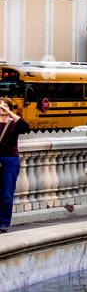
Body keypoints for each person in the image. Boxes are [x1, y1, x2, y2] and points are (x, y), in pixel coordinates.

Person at [0, 98, 30, 232]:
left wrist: (7, 112)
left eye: (5, 106)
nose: (1, 108)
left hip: (10, 160)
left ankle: (4, 223)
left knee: (6, 192)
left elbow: (25, 126)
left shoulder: (14, 124)